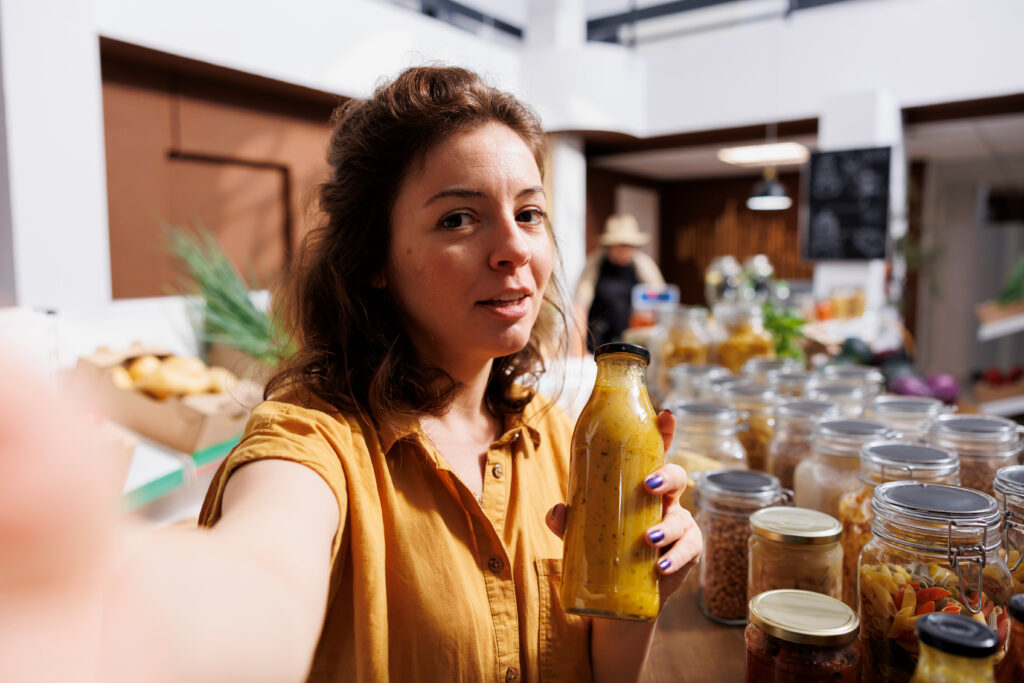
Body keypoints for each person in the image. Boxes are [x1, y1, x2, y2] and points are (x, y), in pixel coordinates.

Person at [0, 66, 701, 683]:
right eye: (460, 217)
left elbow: (606, 671)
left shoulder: (559, 437)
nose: (513, 247)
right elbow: (262, 577)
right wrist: (78, 601)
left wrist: (639, 579)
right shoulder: (316, 438)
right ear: (374, 259)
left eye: (529, 212)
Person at [573, 214, 666, 353]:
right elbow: (579, 308)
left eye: (628, 245)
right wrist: (579, 350)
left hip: (632, 341)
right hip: (598, 341)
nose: (623, 250)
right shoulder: (595, 265)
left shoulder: (643, 265)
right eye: (619, 245)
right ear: (609, 245)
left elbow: (662, 299)